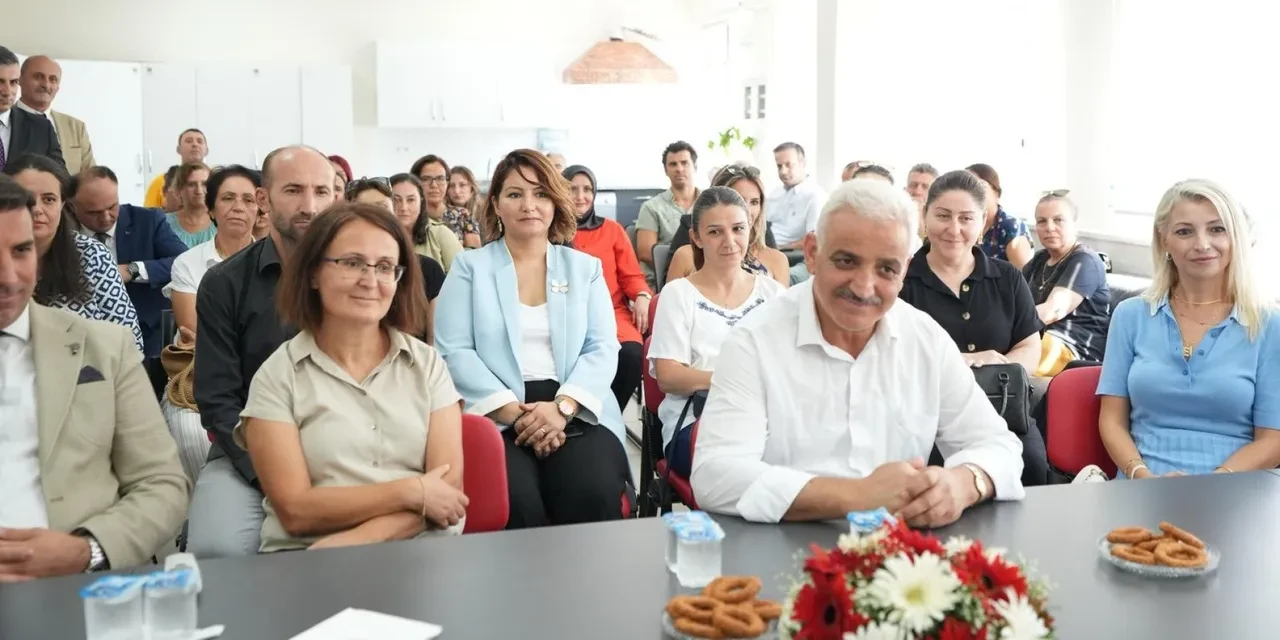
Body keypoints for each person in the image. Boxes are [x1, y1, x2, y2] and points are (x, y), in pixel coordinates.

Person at [690, 179, 1025, 524]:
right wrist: (858, 496)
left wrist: (963, 483)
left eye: (886, 269)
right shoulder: (754, 341)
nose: (864, 287)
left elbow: (999, 446)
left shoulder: (925, 340)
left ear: (905, 270)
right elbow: (716, 475)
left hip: (899, 561)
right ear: (811, 254)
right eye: (847, 261)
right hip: (783, 553)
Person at [237, 202, 468, 552]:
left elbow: (447, 496)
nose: (370, 280)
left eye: (386, 267)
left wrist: (361, 538)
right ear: (313, 273)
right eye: (352, 263)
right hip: (306, 560)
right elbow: (296, 511)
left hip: (418, 552)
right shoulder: (278, 376)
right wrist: (411, 491)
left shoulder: (427, 365)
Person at [0, 175, 188, 578]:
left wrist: (88, 550)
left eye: (21, 251)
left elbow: (162, 485)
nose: (9, 277)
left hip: (79, 587)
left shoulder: (102, 347)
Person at [436, 149, 632, 529]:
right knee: (513, 504)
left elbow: (603, 347)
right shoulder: (469, 267)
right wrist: (516, 415)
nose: (529, 205)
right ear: (495, 203)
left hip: (576, 406)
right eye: (514, 194)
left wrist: (560, 410)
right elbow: (454, 351)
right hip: (497, 410)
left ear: (556, 204)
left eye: (540, 193)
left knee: (589, 492)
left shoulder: (585, 269)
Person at [189, 145, 334, 558]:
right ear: (263, 199)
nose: (309, 206)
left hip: (345, 443)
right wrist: (273, 471)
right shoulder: (224, 284)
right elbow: (217, 399)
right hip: (248, 452)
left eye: (321, 191)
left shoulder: (359, 275)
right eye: (294, 190)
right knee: (218, 551)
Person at [1087, 178, 1280, 482]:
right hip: (1141, 486)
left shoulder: (1270, 324)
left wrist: (1212, 481)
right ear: (1164, 239)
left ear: (1236, 238)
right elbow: (1112, 421)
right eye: (1184, 231)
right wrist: (1141, 475)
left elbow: (1273, 439)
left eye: (1217, 229)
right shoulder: (1130, 315)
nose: (1202, 244)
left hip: (1235, 489)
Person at [897, 170, 1046, 485]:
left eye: (966, 218)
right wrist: (960, 362)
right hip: (925, 418)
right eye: (943, 216)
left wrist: (1000, 364)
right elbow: (893, 354)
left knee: (1030, 464)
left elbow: (1030, 346)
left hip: (1004, 411)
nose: (954, 229)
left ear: (983, 223)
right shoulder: (901, 280)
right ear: (925, 217)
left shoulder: (1008, 278)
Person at [649, 186, 784, 478]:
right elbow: (669, 377)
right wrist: (733, 381)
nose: (730, 241)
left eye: (738, 228)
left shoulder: (774, 294)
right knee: (754, 471)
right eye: (714, 232)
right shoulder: (678, 294)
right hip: (697, 422)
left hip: (766, 420)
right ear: (696, 237)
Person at [4, 154, 143, 352]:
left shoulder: (92, 256)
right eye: (25, 199)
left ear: (63, 204)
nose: (37, 209)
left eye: (49, 199)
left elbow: (129, 343)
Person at [72, 166, 186, 358]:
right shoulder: (62, 232)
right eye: (94, 212)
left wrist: (133, 270)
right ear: (72, 206)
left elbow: (183, 262)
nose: (106, 217)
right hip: (82, 340)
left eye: (112, 207)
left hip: (146, 337)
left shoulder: (148, 220)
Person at [563, 164, 651, 414]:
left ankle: (608, 413)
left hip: (613, 313)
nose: (581, 196)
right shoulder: (551, 232)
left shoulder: (612, 229)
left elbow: (632, 276)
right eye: (572, 189)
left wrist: (643, 295)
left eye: (587, 189)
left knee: (633, 354)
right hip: (568, 315)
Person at [348, 176, 445, 344]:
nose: (376, 217)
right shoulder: (341, 269)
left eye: (382, 208)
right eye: (366, 210)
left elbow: (436, 342)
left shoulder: (428, 270)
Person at [164, 164, 259, 335]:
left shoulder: (276, 261)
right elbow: (194, 335)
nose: (238, 207)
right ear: (211, 210)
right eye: (228, 198)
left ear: (259, 211)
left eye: (248, 200)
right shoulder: (188, 263)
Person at [1023, 190, 1110, 374]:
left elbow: (1053, 310)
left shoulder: (1085, 261)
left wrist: (1006, 324)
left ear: (1074, 224)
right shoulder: (1038, 261)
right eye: (1041, 221)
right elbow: (1012, 301)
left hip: (1075, 352)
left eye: (1058, 220)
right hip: (1038, 340)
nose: (1049, 227)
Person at [665, 164, 789, 287]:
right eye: (738, 200)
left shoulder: (777, 260)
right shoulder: (685, 257)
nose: (747, 210)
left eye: (755, 202)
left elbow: (782, 306)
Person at [636, 141, 700, 287]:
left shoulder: (711, 204)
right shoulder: (651, 207)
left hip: (707, 278)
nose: (679, 169)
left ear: (695, 166)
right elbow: (646, 252)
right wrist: (683, 266)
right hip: (665, 281)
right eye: (673, 164)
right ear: (665, 170)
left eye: (684, 163)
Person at [17, 55, 94, 174]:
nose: (46, 85)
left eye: (53, 79)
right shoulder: (4, 120)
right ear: (19, 79)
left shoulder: (76, 128)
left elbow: (90, 176)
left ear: (58, 86)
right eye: (38, 77)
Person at [0, 47, 64, 171]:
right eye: (0, 82)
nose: (7, 91)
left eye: (13, 82)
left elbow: (62, 180)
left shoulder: (42, 129)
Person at [966, 163, 1033, 270]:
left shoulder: (1011, 226)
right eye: (967, 187)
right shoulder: (964, 225)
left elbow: (1025, 277)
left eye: (981, 186)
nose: (973, 192)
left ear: (997, 193)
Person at [394, 173, 463, 273]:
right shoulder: (376, 236)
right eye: (396, 200)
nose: (404, 207)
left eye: (411, 200)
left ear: (421, 201)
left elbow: (463, 279)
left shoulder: (440, 234)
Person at [766, 142, 826, 250]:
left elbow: (814, 240)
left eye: (789, 165)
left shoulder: (815, 196)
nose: (783, 171)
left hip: (791, 256)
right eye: (779, 166)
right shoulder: (774, 193)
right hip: (764, 251)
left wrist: (778, 249)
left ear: (802, 163)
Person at [411, 155, 480, 248]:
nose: (434, 185)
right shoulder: (409, 217)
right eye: (426, 179)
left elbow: (474, 255)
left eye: (440, 179)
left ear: (447, 182)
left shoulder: (462, 216)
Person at [144, 129, 207, 209]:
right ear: (178, 149)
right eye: (189, 141)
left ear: (206, 150)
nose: (195, 144)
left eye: (200, 141)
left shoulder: (217, 180)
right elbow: (148, 217)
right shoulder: (160, 181)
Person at [165, 162, 215, 248]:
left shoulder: (222, 222)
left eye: (204, 184)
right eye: (191, 184)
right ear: (179, 189)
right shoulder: (164, 223)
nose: (199, 191)